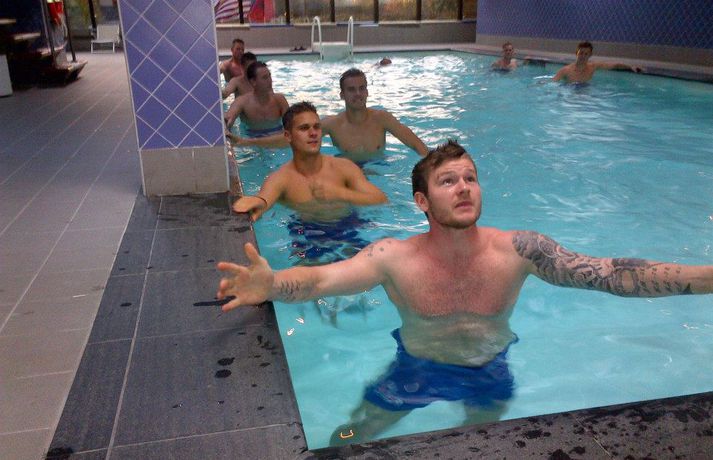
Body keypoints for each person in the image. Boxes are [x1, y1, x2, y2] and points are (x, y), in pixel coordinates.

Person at [217, 140, 713, 444]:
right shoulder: (393, 257)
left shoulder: (519, 250)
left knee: (482, 444)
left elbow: (609, 274)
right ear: (422, 201)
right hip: (414, 370)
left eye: (471, 178)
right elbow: (323, 280)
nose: (464, 188)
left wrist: (707, 276)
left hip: (488, 369)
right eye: (448, 180)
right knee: (346, 438)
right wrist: (272, 285)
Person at [231, 101, 388, 223]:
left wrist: (340, 193)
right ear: (288, 136)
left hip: (351, 226)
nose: (313, 133)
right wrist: (258, 202)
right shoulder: (282, 178)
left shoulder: (343, 167)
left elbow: (380, 199)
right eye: (304, 128)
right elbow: (265, 199)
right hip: (308, 236)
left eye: (317, 127)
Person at [321, 68, 429, 163]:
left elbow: (416, 144)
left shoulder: (382, 119)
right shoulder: (332, 124)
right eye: (351, 89)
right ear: (342, 95)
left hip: (378, 167)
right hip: (347, 168)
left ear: (367, 92)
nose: (358, 93)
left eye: (362, 88)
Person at [224, 61, 290, 146]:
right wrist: (226, 122)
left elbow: (292, 127)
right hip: (253, 145)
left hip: (277, 143)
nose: (270, 81)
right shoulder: (242, 102)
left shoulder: (280, 100)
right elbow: (228, 118)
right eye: (265, 78)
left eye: (269, 76)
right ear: (253, 82)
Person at [553, 41, 643, 83]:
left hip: (586, 95)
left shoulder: (593, 67)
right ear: (576, 53)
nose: (583, 56)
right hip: (570, 97)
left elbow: (614, 65)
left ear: (590, 55)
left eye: (586, 54)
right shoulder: (565, 70)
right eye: (581, 53)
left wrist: (631, 66)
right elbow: (553, 83)